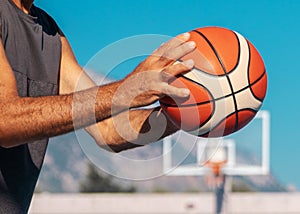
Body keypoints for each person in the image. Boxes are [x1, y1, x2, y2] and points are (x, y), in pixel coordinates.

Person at [0, 0, 196, 213]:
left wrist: (190, 113)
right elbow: (5, 121)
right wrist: (126, 91)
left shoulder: (51, 34)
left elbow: (110, 130)